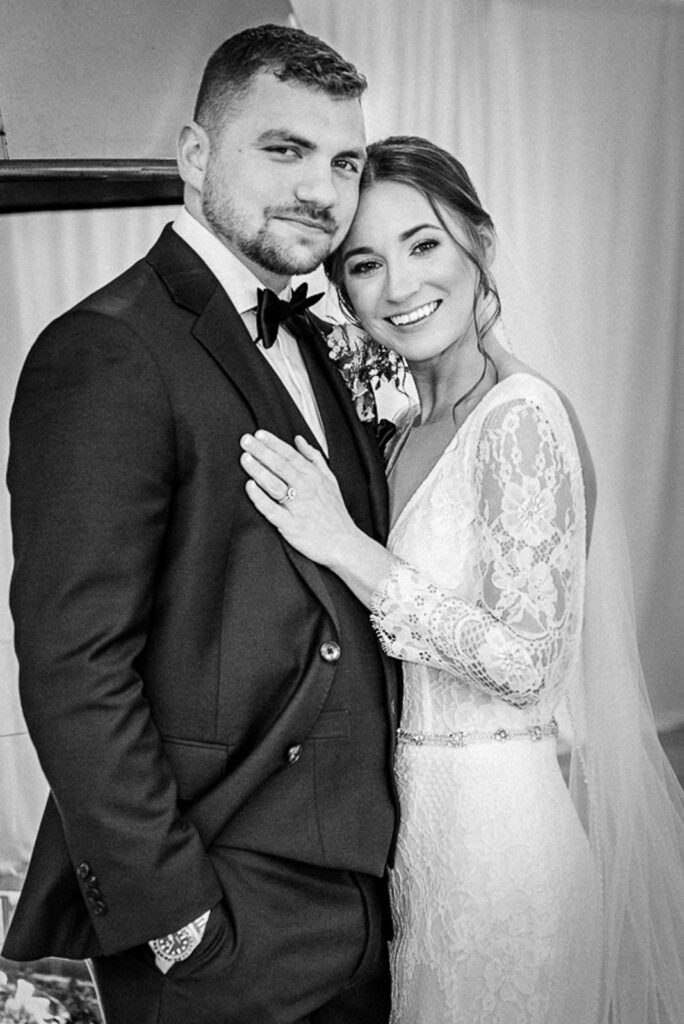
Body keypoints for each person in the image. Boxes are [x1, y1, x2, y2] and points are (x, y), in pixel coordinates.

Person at [3, 25, 401, 1024]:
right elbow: (74, 665)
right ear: (193, 155)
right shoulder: (105, 349)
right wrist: (180, 921)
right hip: (225, 925)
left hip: (362, 903)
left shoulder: (317, 335)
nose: (322, 189)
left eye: (344, 161)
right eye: (284, 150)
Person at [240, 135, 684, 1024]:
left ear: (478, 241)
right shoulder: (402, 431)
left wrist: (349, 548)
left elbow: (530, 665)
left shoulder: (520, 417)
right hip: (418, 849)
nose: (399, 286)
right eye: (364, 263)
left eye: (424, 244)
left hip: (502, 854)